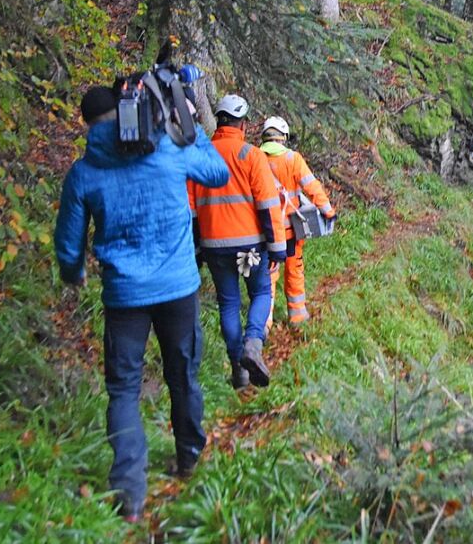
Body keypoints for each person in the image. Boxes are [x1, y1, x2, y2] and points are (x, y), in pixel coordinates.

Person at [54, 84, 229, 522]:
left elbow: (69, 243)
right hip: (178, 289)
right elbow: (216, 173)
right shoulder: (167, 147)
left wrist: (73, 273)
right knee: (183, 374)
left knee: (123, 390)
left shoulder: (84, 172)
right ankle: (188, 456)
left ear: (87, 125)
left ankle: (130, 492)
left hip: (124, 295)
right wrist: (188, 126)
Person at [187, 95, 287, 391]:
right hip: (249, 247)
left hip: (214, 246)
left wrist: (196, 247)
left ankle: (238, 369)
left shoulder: (200, 156)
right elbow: (268, 205)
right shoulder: (250, 155)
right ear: (242, 124)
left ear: (219, 122)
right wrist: (277, 246)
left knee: (228, 302)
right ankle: (253, 344)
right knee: (260, 292)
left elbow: (191, 209)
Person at [259, 116, 336, 329]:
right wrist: (328, 212)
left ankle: (264, 322)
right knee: (294, 270)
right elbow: (312, 187)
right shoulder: (292, 159)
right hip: (290, 230)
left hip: (264, 231)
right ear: (283, 136)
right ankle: (297, 316)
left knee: (268, 275)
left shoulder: (255, 158)